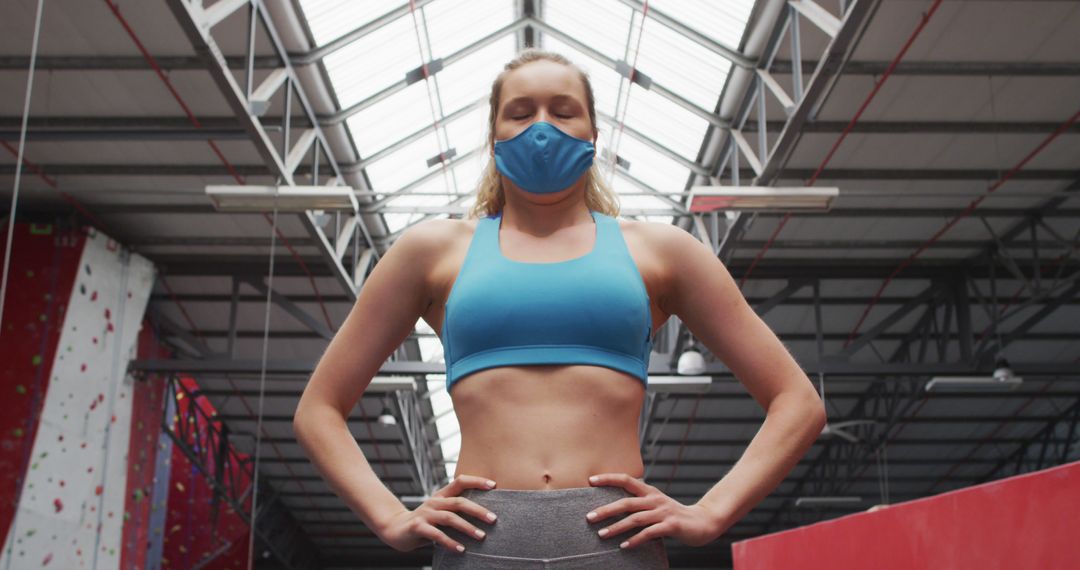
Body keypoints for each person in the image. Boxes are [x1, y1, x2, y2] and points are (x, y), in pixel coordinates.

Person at [293, 48, 826, 569]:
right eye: (521, 113)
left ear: (593, 134)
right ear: (493, 135)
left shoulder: (664, 252)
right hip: (479, 540)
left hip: (615, 541)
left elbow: (797, 401)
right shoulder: (430, 252)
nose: (541, 128)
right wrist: (390, 517)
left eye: (563, 111)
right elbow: (319, 408)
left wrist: (710, 513)